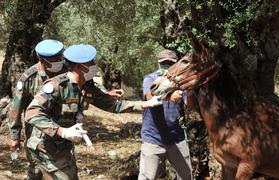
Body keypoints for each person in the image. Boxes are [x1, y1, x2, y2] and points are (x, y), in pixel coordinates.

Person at [24, 44, 162, 179]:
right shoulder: (57, 85)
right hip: (45, 148)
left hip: (62, 147)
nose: (94, 66)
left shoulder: (87, 87)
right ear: (79, 67)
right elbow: (32, 112)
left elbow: (115, 105)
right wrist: (62, 131)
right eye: (91, 63)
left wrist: (147, 103)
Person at [7, 39, 66, 180]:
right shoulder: (29, 77)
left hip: (61, 133)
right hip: (36, 136)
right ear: (41, 59)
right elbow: (16, 107)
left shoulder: (67, 71)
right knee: (36, 171)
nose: (58, 61)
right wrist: (15, 136)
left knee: (63, 171)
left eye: (60, 57)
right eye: (54, 59)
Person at [138, 49, 192, 180]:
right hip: (153, 139)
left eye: (170, 63)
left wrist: (190, 89)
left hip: (177, 139)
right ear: (158, 63)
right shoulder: (150, 79)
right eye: (164, 63)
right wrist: (169, 95)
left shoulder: (179, 82)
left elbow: (190, 103)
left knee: (186, 177)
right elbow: (149, 95)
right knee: (146, 177)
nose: (166, 66)